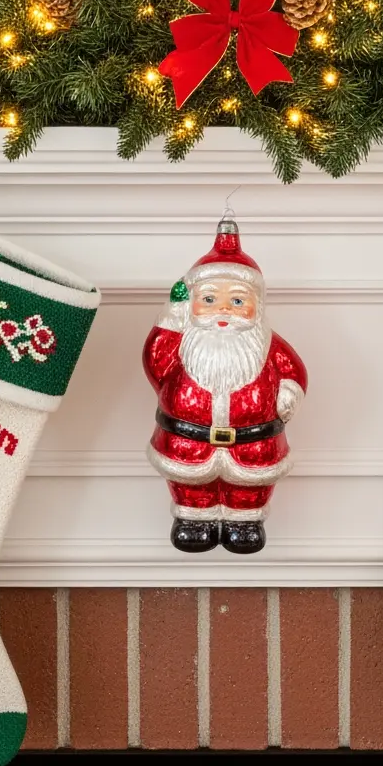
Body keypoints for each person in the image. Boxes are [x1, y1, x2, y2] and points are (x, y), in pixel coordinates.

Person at [142, 217, 307, 556]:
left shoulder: (268, 346)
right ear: (192, 305)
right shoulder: (182, 342)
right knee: (191, 485)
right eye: (209, 299)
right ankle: (193, 520)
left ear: (256, 308)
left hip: (254, 444)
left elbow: (295, 370)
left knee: (249, 489)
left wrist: (289, 389)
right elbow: (155, 360)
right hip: (187, 442)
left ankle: (244, 522)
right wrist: (172, 315)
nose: (222, 311)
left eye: (236, 302)